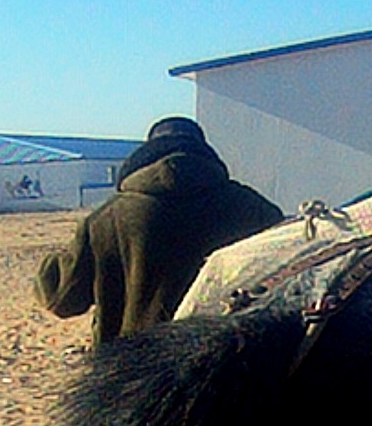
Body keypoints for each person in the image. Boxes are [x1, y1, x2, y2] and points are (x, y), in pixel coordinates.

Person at [34, 117, 283, 346]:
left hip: (134, 376)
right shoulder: (254, 209)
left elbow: (61, 299)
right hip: (229, 370)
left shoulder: (107, 219)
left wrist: (56, 261)